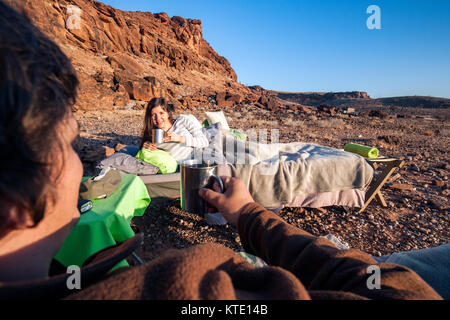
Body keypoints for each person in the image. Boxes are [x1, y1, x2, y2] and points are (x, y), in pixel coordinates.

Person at [0, 1, 443, 300]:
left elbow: (197, 142)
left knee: (249, 147)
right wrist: (249, 216)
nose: (81, 162)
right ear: (15, 203)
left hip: (206, 154)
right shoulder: (190, 284)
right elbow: (388, 284)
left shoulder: (183, 125)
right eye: (69, 145)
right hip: (357, 275)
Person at [140, 97, 208, 161]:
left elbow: (204, 142)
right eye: (154, 115)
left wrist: (180, 138)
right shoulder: (153, 134)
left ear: (168, 113)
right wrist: (145, 146)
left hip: (193, 164)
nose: (158, 118)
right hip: (172, 168)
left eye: (161, 113)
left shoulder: (182, 121)